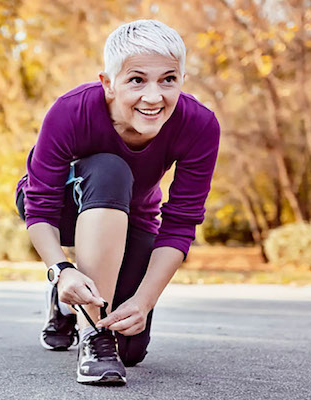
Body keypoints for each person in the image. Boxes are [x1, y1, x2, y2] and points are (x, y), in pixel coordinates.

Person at [14, 19, 220, 385]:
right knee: (111, 170)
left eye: (168, 79)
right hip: (61, 207)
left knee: (131, 349)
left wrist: (144, 302)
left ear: (183, 80)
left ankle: (68, 303)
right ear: (108, 83)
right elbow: (40, 205)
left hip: (134, 217)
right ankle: (92, 335)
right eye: (137, 80)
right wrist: (59, 269)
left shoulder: (199, 125)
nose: (154, 97)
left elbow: (180, 224)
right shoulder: (70, 111)